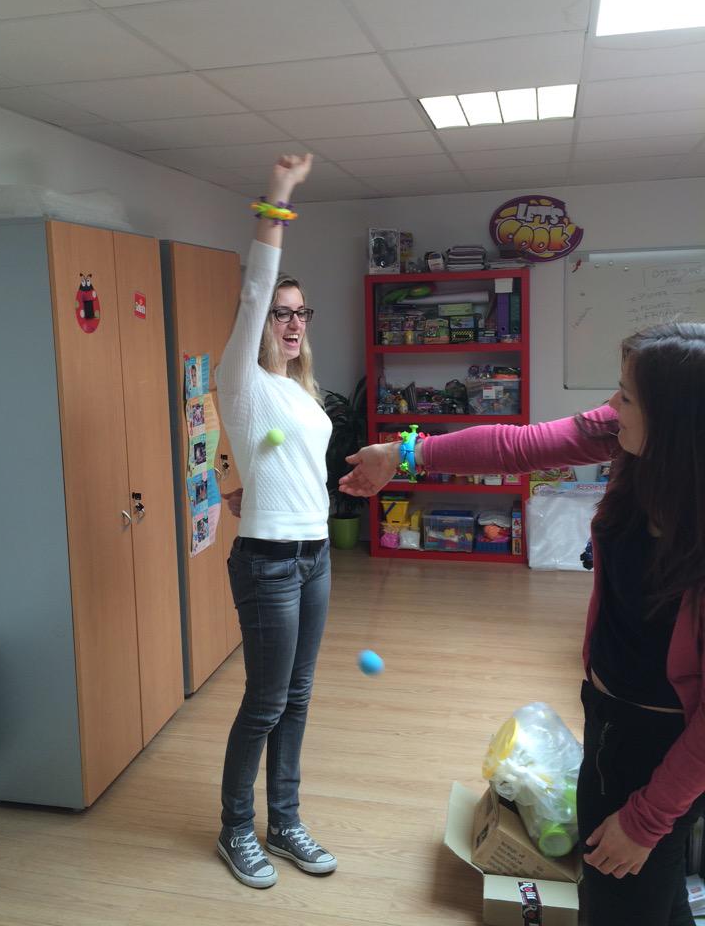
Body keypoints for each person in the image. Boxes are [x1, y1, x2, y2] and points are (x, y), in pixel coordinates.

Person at [339, 322, 705, 926]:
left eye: (626, 395)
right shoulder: (632, 443)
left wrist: (645, 821)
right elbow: (517, 446)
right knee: (658, 900)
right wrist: (403, 453)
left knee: (618, 902)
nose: (611, 405)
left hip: (663, 746)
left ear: (676, 420)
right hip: (610, 713)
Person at [214, 153, 337, 889]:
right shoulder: (244, 379)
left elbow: (279, 460)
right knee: (265, 701)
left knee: (297, 697)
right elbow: (257, 284)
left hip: (315, 555)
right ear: (261, 320)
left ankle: (283, 822)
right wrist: (279, 198)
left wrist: (241, 482)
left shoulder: (300, 393)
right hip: (268, 562)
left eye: (301, 312)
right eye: (280, 312)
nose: (291, 321)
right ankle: (235, 828)